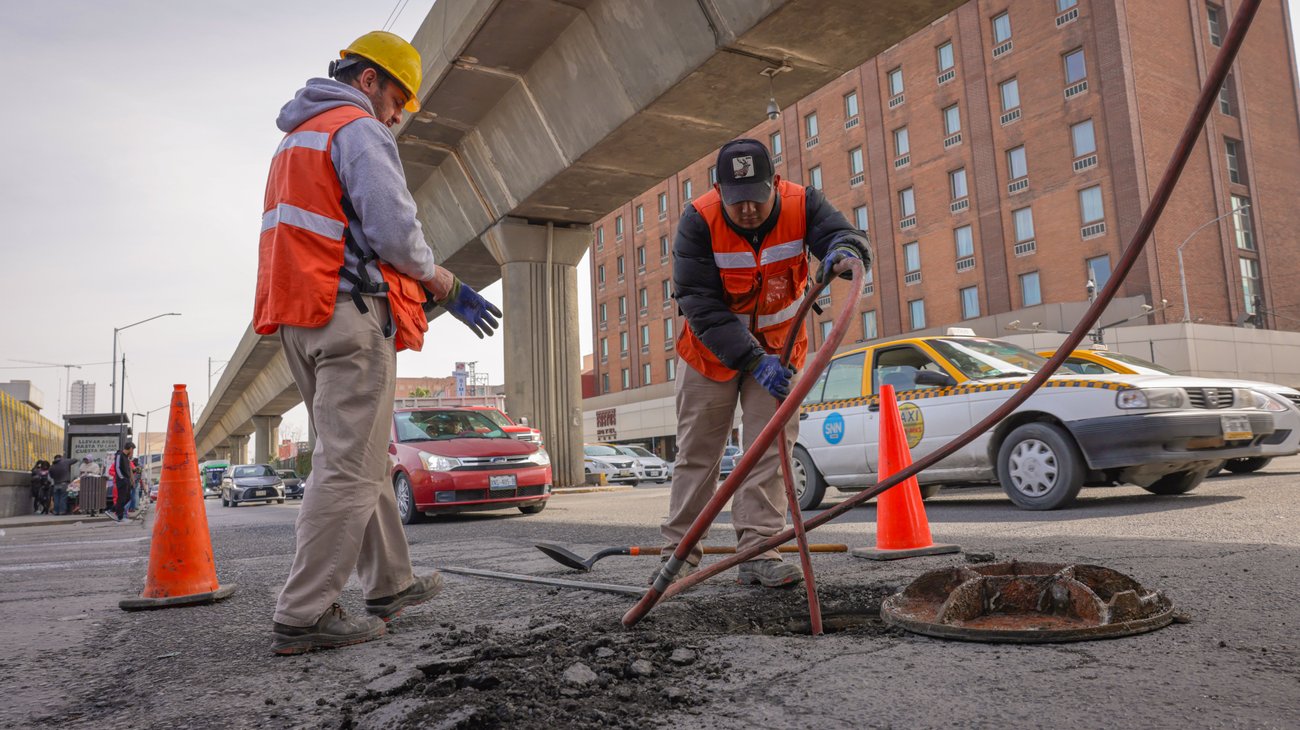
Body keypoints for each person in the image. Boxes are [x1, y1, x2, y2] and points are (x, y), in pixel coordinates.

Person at [255, 31, 502, 655]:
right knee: (349, 467)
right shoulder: (358, 129)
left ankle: (390, 581)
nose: (397, 116)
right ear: (369, 80)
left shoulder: (296, 138)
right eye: (397, 99)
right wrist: (443, 280)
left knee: (360, 458)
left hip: (302, 317)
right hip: (349, 318)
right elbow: (394, 231)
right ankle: (304, 612)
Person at [659, 138, 870, 587]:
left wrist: (845, 248)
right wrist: (752, 360)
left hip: (780, 351)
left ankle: (759, 550)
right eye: (737, 200)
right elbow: (698, 303)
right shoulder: (698, 220)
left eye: (757, 196)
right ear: (719, 191)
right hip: (710, 354)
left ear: (774, 182)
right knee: (698, 454)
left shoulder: (803, 204)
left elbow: (843, 234)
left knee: (771, 452)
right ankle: (678, 555)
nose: (749, 209)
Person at [108, 442, 135, 522]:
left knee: (127, 497)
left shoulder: (126, 457)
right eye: (133, 450)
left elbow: (127, 470)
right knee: (122, 498)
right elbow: (117, 467)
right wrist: (122, 478)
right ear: (130, 448)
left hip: (126, 480)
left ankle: (112, 510)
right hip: (122, 480)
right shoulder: (120, 455)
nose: (132, 452)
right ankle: (119, 517)